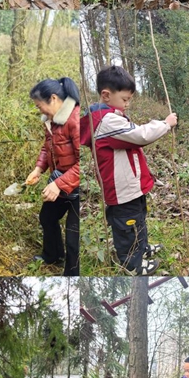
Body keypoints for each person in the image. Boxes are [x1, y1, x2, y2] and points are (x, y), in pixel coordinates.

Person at [79, 67, 171, 276]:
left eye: (129, 99)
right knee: (127, 224)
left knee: (138, 219)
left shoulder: (112, 116)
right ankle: (132, 264)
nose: (128, 104)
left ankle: (141, 248)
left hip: (131, 184)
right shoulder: (106, 120)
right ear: (106, 95)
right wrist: (165, 124)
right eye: (125, 99)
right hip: (121, 188)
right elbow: (141, 135)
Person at [27, 77, 80, 276]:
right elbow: (47, 147)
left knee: (74, 238)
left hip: (75, 187)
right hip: (60, 180)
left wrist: (59, 184)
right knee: (47, 217)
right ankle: (53, 255)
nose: (39, 110)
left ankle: (71, 274)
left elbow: (83, 163)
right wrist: (38, 169)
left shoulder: (75, 120)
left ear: (54, 98)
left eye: (40, 105)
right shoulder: (51, 122)